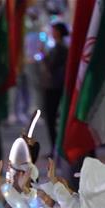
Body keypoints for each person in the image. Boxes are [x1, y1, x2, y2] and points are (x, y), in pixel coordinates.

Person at [40, 22, 68, 152]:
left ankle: (56, 147)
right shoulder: (58, 47)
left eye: (54, 30)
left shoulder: (60, 48)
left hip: (54, 86)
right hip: (53, 85)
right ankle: (55, 146)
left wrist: (43, 55)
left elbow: (51, 66)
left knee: (51, 117)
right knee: (51, 117)